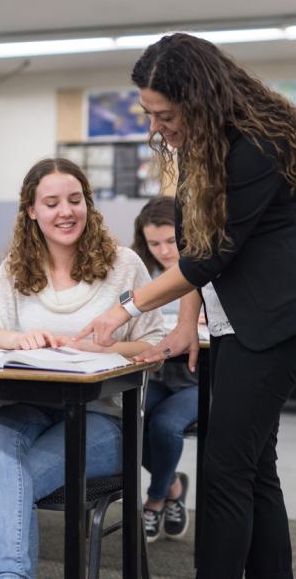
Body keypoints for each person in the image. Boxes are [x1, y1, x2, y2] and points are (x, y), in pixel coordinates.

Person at [76, 33, 296, 579]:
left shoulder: (255, 146)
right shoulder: (210, 142)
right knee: (255, 468)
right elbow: (194, 239)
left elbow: (205, 256)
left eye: (164, 114)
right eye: (148, 113)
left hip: (274, 322)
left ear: (198, 100)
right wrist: (184, 322)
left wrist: (122, 309)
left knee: (226, 472)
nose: (155, 127)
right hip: (237, 320)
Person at [0, 158, 164, 579]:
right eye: (51, 202)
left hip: (104, 419)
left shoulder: (124, 265)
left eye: (75, 200)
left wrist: (105, 347)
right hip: (31, 408)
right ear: (31, 211)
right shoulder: (16, 269)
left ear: (88, 205)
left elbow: (158, 344)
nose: (66, 212)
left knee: (5, 482)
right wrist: (15, 338)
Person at [132, 196, 198, 543]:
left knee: (165, 426)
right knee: (127, 420)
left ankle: (155, 499)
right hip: (157, 372)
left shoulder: (205, 265)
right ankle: (173, 485)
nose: (163, 250)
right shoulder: (143, 274)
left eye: (171, 241)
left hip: (198, 377)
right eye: (154, 243)